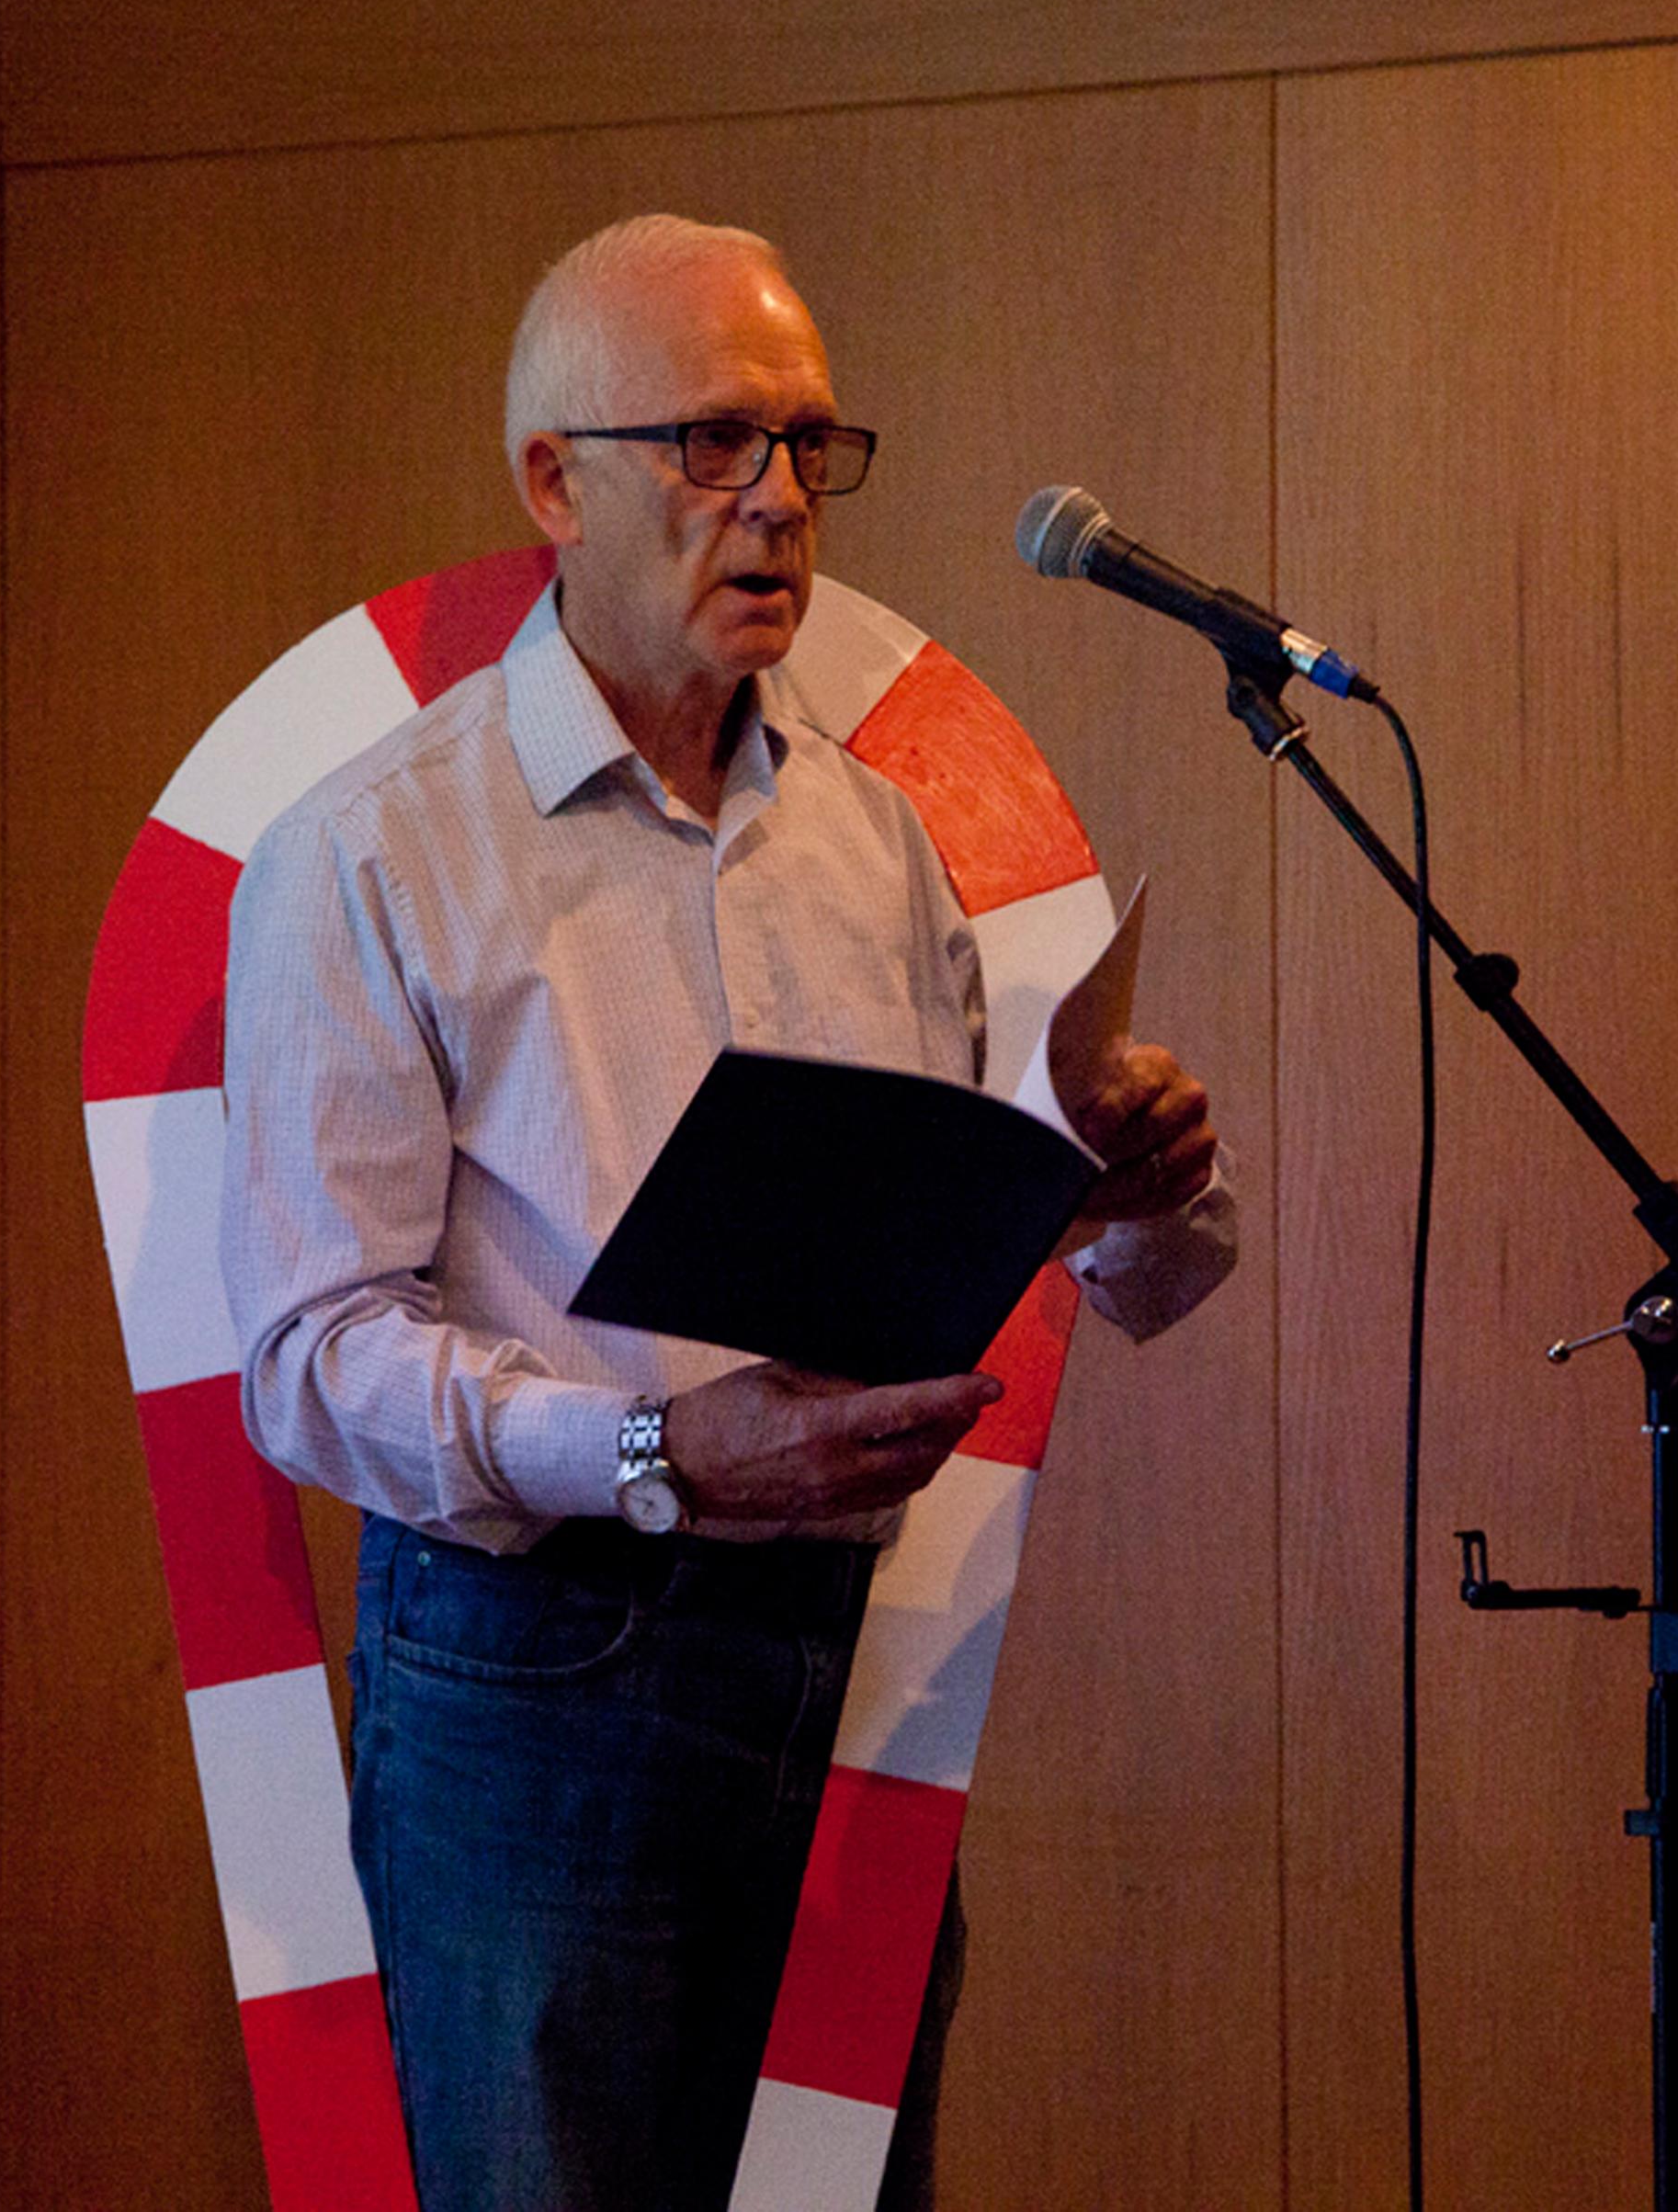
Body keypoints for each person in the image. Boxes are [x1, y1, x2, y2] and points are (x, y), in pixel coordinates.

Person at [219, 214, 1238, 2212]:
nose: (777, 501)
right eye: (710, 442)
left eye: (809, 446)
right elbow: (309, 1357)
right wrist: (649, 1446)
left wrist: (1114, 1200)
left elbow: (961, 1237)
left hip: (833, 1663)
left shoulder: (872, 839)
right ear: (551, 483)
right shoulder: (376, 852)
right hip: (535, 1670)